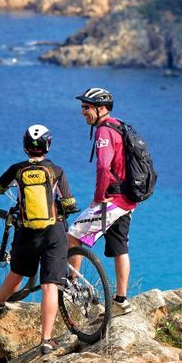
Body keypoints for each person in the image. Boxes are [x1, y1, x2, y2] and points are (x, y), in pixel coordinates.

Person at [0, 124, 77, 355]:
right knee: (49, 285)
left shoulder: (17, 169)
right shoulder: (56, 170)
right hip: (54, 231)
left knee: (17, 272)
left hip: (27, 232)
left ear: (25, 146)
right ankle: (46, 340)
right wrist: (64, 208)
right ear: (48, 145)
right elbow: (69, 202)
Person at [68, 87, 136, 316]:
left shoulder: (104, 132)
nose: (83, 112)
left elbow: (103, 167)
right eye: (82, 107)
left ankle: (72, 287)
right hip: (127, 200)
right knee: (120, 248)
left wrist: (98, 197)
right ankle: (121, 301)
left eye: (87, 107)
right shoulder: (119, 125)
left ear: (101, 108)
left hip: (111, 200)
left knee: (73, 236)